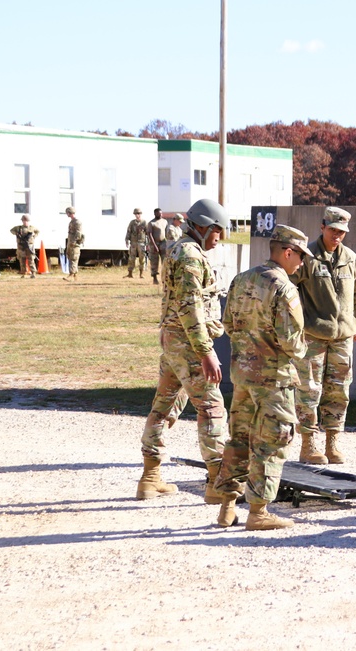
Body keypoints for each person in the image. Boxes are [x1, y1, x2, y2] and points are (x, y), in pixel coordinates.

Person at [213, 224, 310, 531]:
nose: (302, 263)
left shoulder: (241, 280)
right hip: (274, 380)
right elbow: (292, 342)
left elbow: (227, 323)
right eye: (300, 256)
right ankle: (258, 511)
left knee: (239, 439)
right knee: (271, 442)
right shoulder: (283, 288)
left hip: (242, 376)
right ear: (287, 251)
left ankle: (227, 507)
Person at [137, 199, 231, 502]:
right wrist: (206, 352)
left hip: (174, 341)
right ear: (202, 226)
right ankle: (218, 483)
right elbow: (189, 308)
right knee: (212, 409)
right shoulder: (190, 256)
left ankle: (150, 478)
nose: (220, 236)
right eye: (217, 230)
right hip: (190, 344)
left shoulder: (181, 249)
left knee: (164, 406)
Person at [290, 207, 356, 465]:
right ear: (322, 226)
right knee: (309, 390)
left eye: (342, 232)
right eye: (333, 230)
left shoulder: (351, 259)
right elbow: (288, 290)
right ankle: (309, 444)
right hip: (313, 336)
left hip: (343, 338)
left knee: (338, 391)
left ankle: (332, 441)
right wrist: (298, 323)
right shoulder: (308, 257)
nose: (337, 235)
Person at [125, 208, 148, 279]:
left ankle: (141, 274)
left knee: (142, 258)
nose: (137, 215)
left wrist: (148, 244)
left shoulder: (144, 222)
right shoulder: (132, 223)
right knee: (131, 258)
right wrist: (126, 240)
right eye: (136, 214)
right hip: (133, 243)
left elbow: (147, 233)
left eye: (138, 214)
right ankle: (130, 273)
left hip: (141, 243)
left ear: (141, 214)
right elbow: (129, 231)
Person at [147, 208, 167, 285]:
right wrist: (154, 245)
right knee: (154, 261)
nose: (161, 215)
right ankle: (154, 278)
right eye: (159, 213)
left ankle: (164, 278)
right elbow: (150, 234)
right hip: (154, 244)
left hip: (163, 243)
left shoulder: (165, 221)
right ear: (155, 214)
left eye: (161, 213)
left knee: (165, 261)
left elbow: (166, 232)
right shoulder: (151, 223)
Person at [63, 207, 83, 282]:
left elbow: (78, 233)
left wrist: (74, 242)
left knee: (74, 258)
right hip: (70, 242)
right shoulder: (72, 222)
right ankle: (75, 276)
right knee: (70, 257)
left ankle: (71, 274)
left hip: (74, 244)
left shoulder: (77, 222)